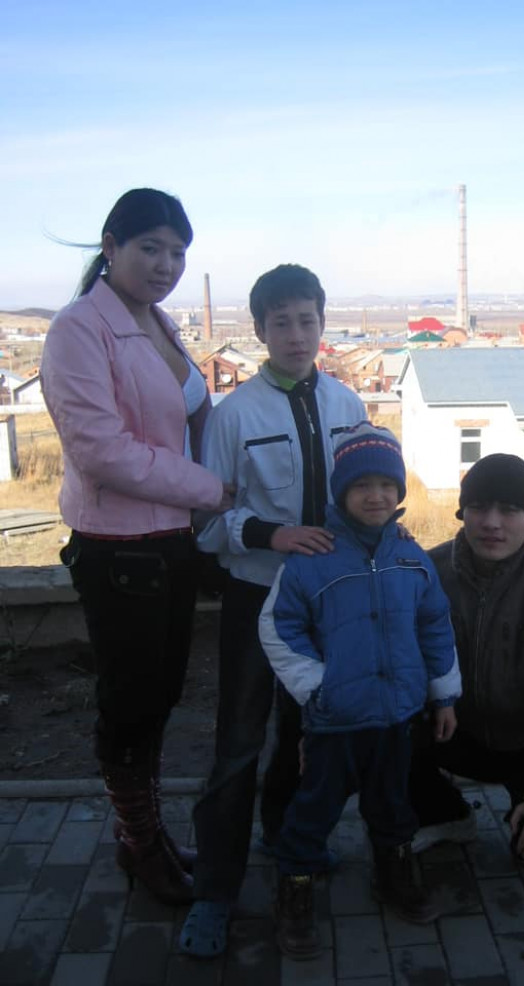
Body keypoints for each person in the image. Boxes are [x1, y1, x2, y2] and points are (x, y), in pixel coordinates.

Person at [40, 188, 233, 905]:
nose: (166, 265)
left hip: (171, 540)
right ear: (111, 245)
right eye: (150, 247)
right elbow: (102, 451)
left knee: (160, 697)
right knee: (130, 704)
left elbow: (184, 417)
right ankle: (139, 844)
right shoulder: (77, 330)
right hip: (121, 549)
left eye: (178, 252)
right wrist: (211, 489)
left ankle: (146, 833)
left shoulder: (156, 321)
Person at [179, 264, 366, 958]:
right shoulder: (234, 416)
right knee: (238, 743)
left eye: (306, 320)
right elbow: (206, 523)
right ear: (259, 330)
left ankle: (288, 841)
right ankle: (215, 891)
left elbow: (367, 493)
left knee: (304, 733)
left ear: (322, 323)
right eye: (280, 322)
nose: (296, 334)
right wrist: (272, 535)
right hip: (256, 599)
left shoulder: (348, 404)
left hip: (325, 602)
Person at [258, 423, 461, 959]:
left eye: (387, 485)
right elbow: (277, 626)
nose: (376, 496)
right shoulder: (312, 558)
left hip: (396, 717)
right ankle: (294, 888)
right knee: (314, 810)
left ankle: (393, 873)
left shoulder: (412, 558)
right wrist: (315, 686)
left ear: (400, 491)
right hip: (335, 720)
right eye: (362, 485)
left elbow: (435, 624)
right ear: (341, 492)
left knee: (393, 805)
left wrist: (443, 693)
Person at [407, 454, 524, 867]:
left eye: (509, 510)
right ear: (462, 513)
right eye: (478, 507)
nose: (491, 523)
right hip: (450, 730)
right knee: (383, 737)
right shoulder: (429, 571)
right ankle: (446, 814)